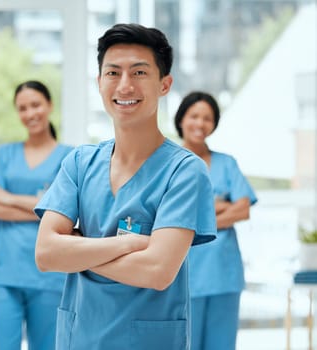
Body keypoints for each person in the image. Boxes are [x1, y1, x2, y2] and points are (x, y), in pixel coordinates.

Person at [34, 23, 217, 350]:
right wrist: (129, 245)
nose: (125, 85)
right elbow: (46, 254)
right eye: (113, 73)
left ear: (165, 84)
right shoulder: (80, 163)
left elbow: (158, 270)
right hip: (80, 338)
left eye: (139, 72)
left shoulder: (185, 171)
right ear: (99, 82)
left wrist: (76, 251)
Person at [0, 80, 73, 350]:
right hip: (3, 271)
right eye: (22, 108)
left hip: (49, 271)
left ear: (49, 105)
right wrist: (42, 208)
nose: (30, 113)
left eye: (35, 105)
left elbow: (64, 214)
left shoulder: (69, 158)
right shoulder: (4, 154)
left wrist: (10, 198)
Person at [174, 91, 257, 350]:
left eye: (207, 118)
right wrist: (220, 207)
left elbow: (243, 209)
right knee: (186, 342)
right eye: (194, 116)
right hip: (184, 271)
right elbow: (170, 214)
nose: (200, 123)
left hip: (225, 274)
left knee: (222, 343)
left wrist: (198, 215)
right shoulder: (169, 163)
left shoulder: (226, 163)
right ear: (181, 120)